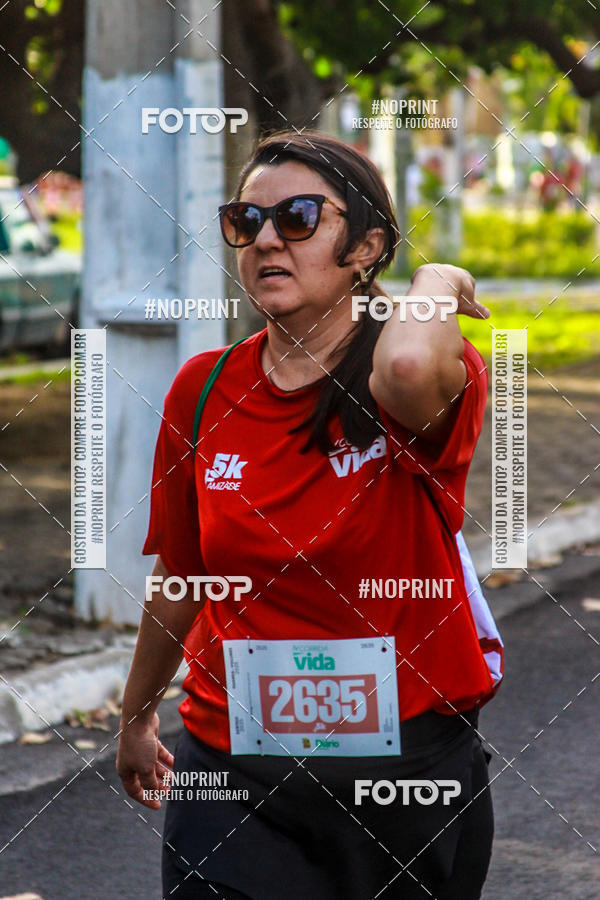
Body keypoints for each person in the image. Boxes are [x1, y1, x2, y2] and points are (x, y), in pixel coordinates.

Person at [116, 131, 498, 899]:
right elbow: (185, 573)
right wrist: (135, 717)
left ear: (366, 245)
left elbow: (406, 367)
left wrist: (436, 277)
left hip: (405, 778)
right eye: (244, 220)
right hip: (232, 769)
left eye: (296, 218)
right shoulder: (204, 386)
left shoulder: (420, 374)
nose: (263, 239)